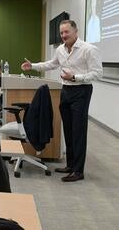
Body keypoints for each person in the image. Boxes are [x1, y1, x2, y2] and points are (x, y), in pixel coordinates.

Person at [21, 20, 103, 182]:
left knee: (78, 131)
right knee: (69, 130)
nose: (64, 35)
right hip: (66, 91)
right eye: (61, 33)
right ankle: (70, 165)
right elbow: (51, 64)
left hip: (81, 90)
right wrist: (33, 66)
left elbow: (98, 73)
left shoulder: (89, 49)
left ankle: (78, 171)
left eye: (67, 32)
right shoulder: (60, 49)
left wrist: (75, 77)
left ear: (76, 31)